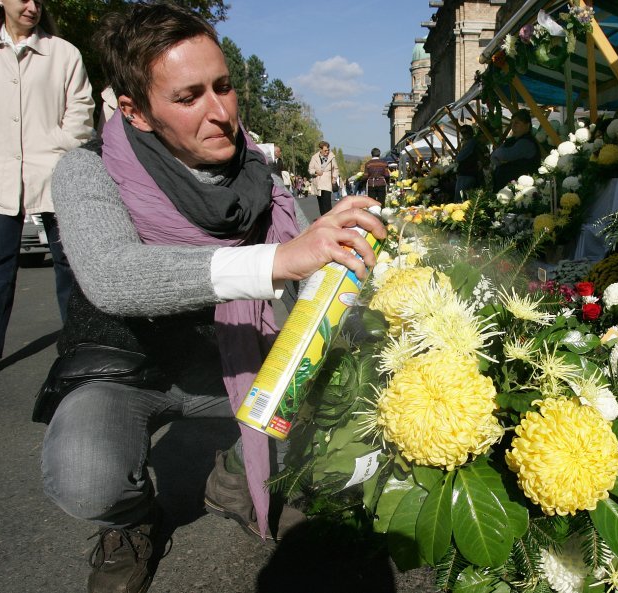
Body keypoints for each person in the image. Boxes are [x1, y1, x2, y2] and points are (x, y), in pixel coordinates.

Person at [37, 4, 385, 593]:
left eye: (223, 87)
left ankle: (232, 479)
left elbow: (308, 280)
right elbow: (112, 275)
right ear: (135, 111)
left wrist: (361, 282)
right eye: (188, 96)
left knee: (342, 390)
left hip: (229, 362)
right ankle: (130, 521)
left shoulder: (260, 178)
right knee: (84, 473)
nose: (219, 112)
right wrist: (277, 260)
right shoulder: (86, 172)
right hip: (126, 371)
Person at [0, 0, 94, 373]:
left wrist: (61, 142)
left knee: (68, 260)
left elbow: (81, 109)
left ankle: (80, 338)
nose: (32, 6)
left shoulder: (63, 52)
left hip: (52, 166)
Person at [490, 108, 541, 191]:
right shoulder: (511, 140)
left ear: (527, 125)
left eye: (517, 123)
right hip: (505, 189)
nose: (513, 126)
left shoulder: (526, 142)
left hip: (519, 193)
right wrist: (499, 156)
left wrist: (500, 155)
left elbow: (504, 155)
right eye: (512, 123)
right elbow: (493, 158)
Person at [307, 140, 339, 215]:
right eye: (325, 150)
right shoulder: (314, 157)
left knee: (327, 203)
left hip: (327, 182)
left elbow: (336, 169)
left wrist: (334, 177)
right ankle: (323, 219)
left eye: (328, 150)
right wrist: (316, 172)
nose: (327, 152)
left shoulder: (332, 157)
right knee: (321, 203)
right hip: (318, 182)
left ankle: (329, 220)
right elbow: (310, 169)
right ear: (320, 150)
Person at [454, 124, 483, 199]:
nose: (463, 134)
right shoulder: (468, 143)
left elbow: (459, 158)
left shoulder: (471, 143)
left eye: (465, 132)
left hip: (467, 174)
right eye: (462, 132)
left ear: (471, 132)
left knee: (461, 199)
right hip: (467, 174)